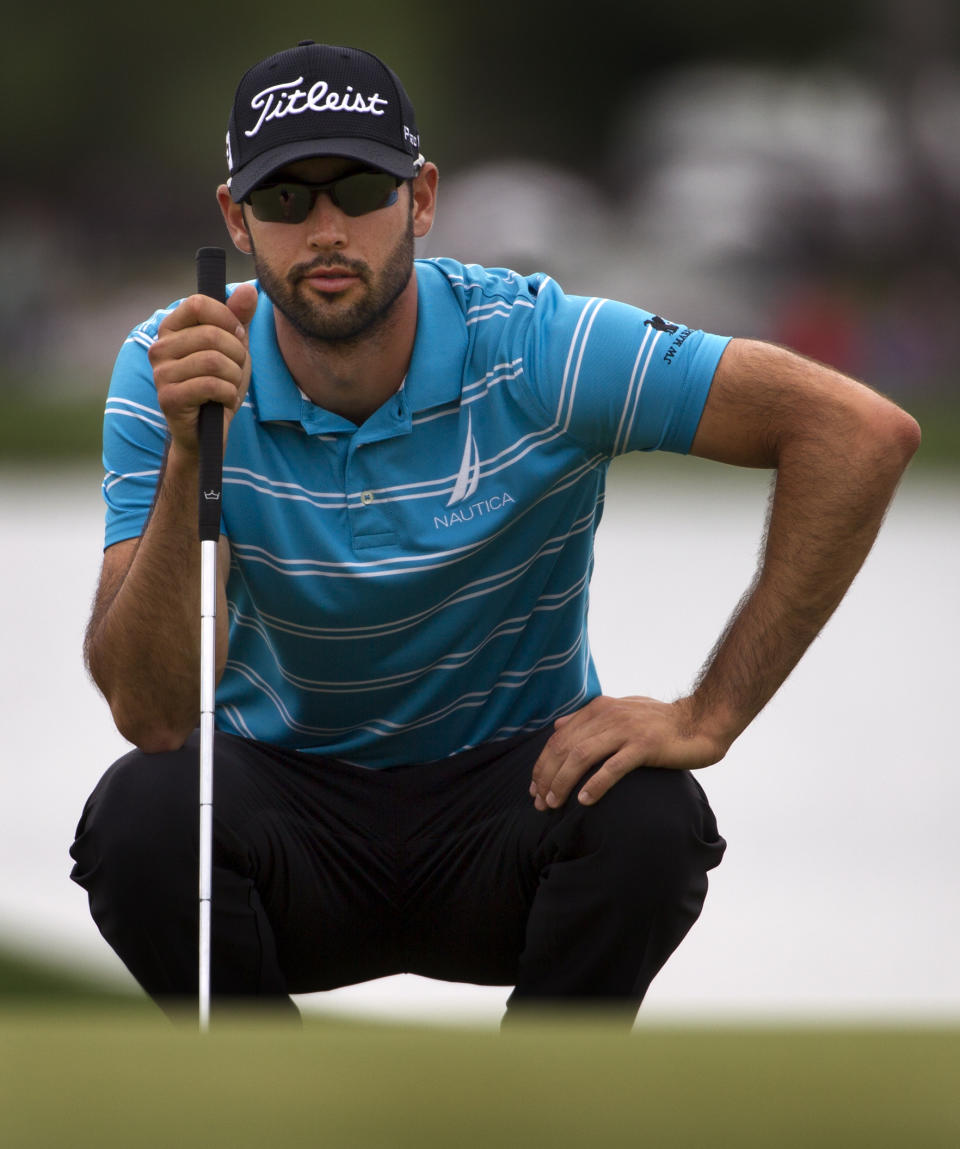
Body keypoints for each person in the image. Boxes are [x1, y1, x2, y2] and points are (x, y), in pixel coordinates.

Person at [70, 41, 920, 1025]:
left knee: (649, 817)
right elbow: (154, 714)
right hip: (286, 814)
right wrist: (189, 457)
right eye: (286, 201)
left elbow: (858, 433)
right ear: (236, 219)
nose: (327, 228)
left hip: (511, 807)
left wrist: (707, 715)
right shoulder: (169, 366)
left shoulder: (537, 347)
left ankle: (538, 1110)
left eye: (359, 188)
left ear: (422, 200)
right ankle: (269, 1110)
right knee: (144, 817)